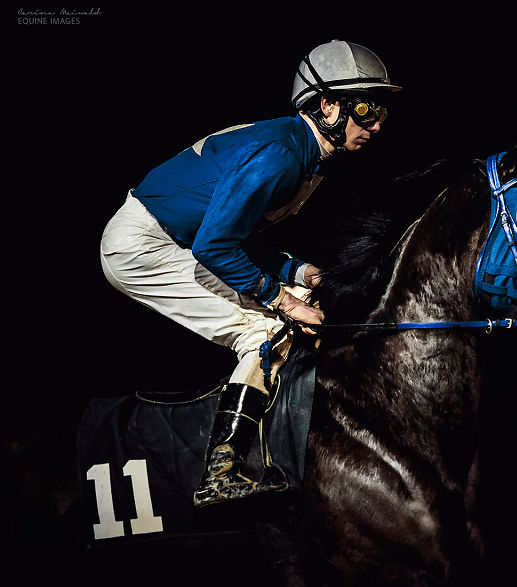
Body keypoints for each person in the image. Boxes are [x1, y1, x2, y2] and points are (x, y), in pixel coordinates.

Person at [99, 39, 401, 507]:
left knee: (297, 308)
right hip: (143, 247)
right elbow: (213, 245)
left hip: (174, 239)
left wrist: (300, 273)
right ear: (327, 105)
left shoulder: (305, 155)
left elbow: (236, 233)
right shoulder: (281, 155)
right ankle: (222, 472)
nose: (377, 124)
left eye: (381, 110)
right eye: (365, 107)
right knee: (271, 330)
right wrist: (283, 298)